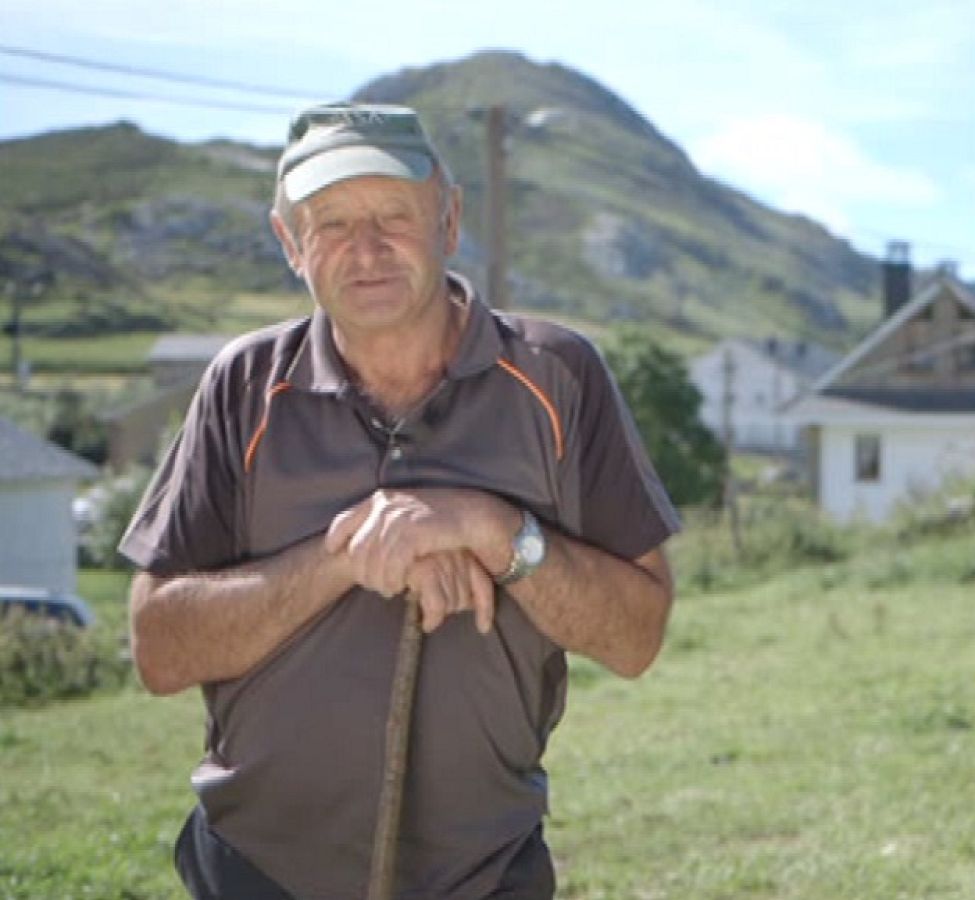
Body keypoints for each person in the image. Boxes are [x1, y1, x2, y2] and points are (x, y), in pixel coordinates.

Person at [120, 102, 679, 899]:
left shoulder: (557, 377)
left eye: (393, 215)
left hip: (485, 874)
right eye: (332, 224)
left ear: (449, 221)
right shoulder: (244, 388)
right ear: (290, 244)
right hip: (257, 872)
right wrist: (346, 558)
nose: (367, 250)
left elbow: (636, 638)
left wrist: (491, 530)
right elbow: (158, 648)